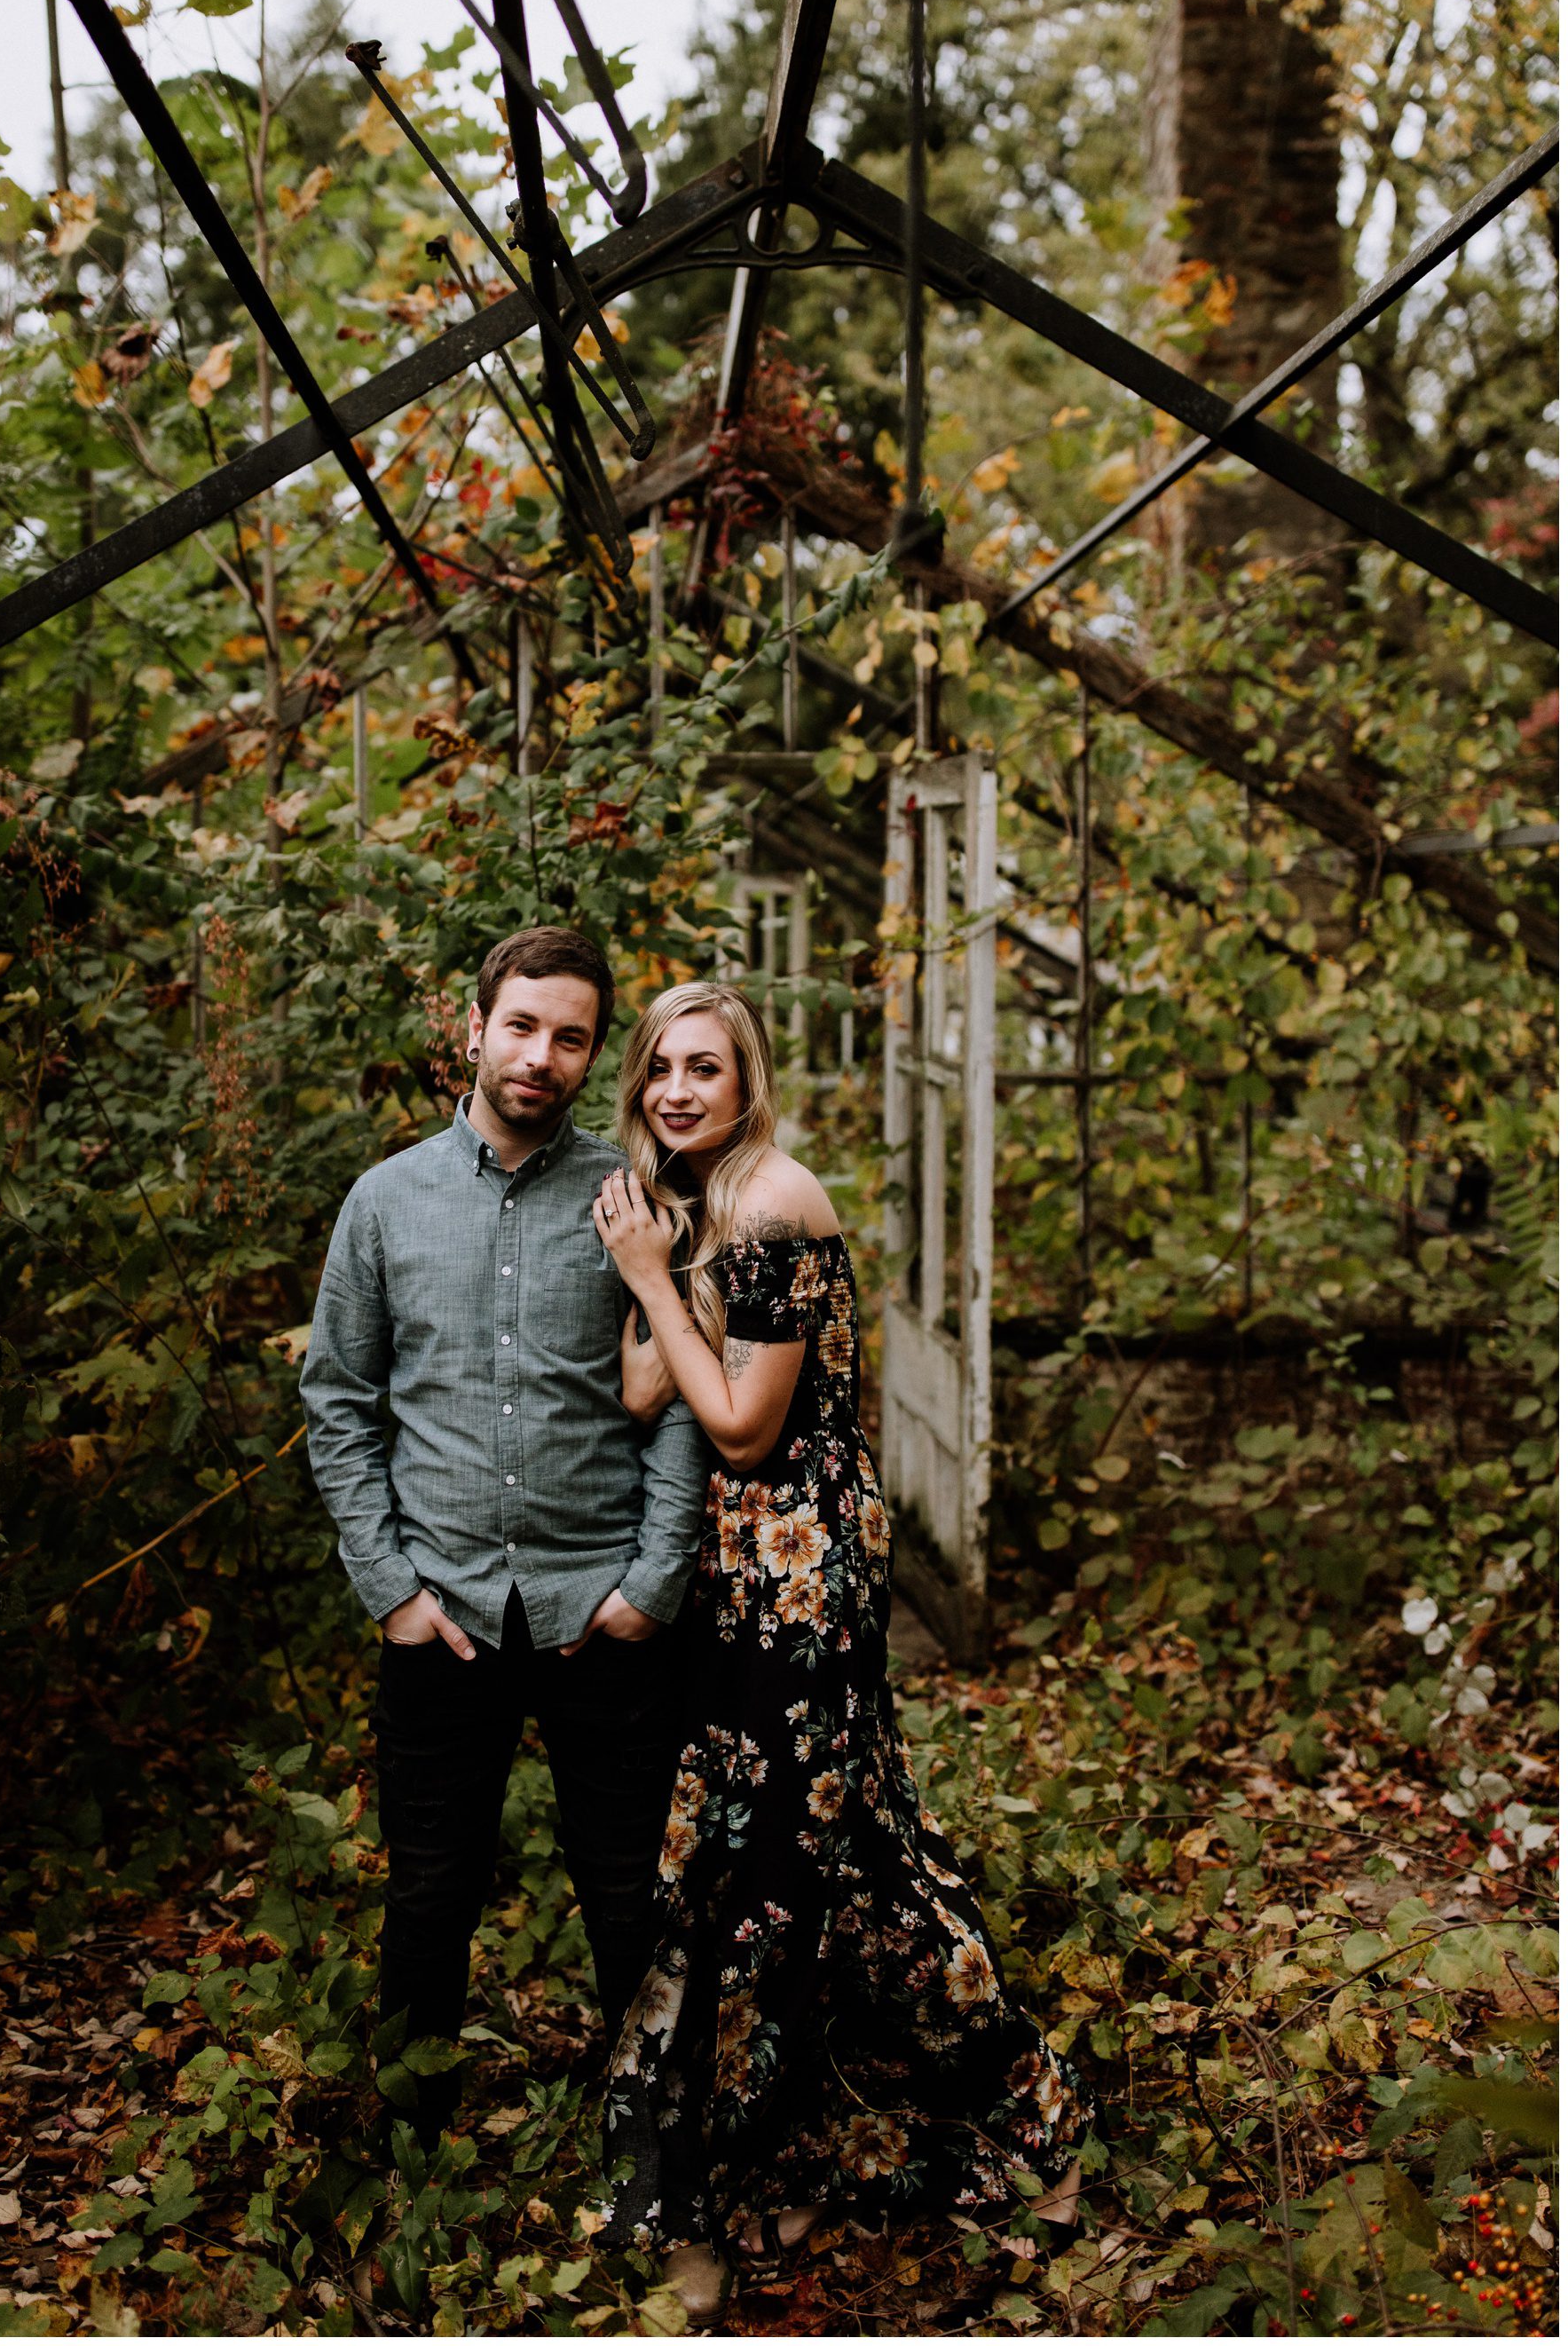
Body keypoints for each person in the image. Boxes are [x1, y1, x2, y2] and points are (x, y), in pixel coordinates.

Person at [590, 980, 1091, 2317]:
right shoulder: (704, 1205)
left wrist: (651, 1274)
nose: (679, 1091)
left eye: (706, 1068)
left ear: (750, 1080)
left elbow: (744, 1428)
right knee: (788, 1831)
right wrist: (654, 1254)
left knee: (817, 1840)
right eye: (658, 1073)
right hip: (742, 1568)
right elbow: (647, 1389)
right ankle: (778, 2114)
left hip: (804, 1562)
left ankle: (988, 2086)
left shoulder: (776, 1201)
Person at [299, 927, 710, 2121]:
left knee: (631, 1891)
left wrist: (652, 1584)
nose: (542, 1054)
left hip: (606, 1608)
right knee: (431, 1891)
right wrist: (391, 1586)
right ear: (473, 1030)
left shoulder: (633, 1204)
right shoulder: (384, 1204)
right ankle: (413, 2137)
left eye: (570, 1036)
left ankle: (656, 2132)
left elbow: (678, 1393)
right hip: (445, 1610)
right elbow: (337, 1401)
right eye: (522, 1026)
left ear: (593, 1059)